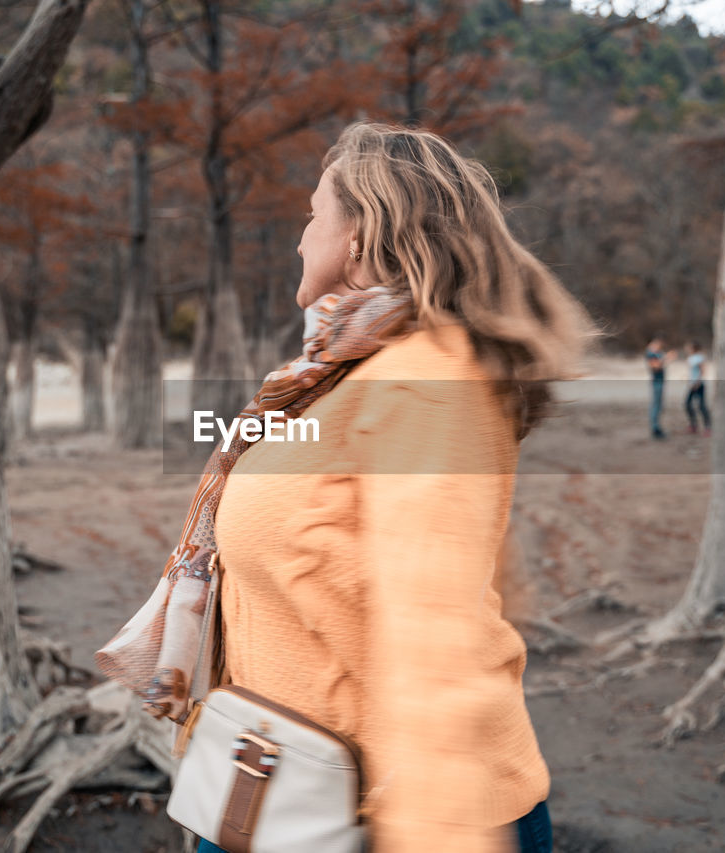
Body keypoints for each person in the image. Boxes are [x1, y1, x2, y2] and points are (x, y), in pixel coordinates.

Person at [192, 122, 596, 852]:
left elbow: (441, 634)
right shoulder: (330, 377)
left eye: (313, 214)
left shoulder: (430, 380)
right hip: (275, 779)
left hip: (389, 813)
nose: (299, 236)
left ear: (357, 235)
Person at [645, 335, 672, 439]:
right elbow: (655, 367)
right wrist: (666, 358)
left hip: (659, 382)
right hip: (657, 382)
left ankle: (657, 427)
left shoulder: (656, 352)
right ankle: (655, 429)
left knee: (659, 405)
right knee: (656, 406)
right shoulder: (651, 353)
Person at [684, 340, 711, 435]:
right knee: (687, 404)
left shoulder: (699, 357)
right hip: (691, 384)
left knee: (701, 406)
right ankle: (693, 424)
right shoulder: (690, 358)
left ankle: (708, 427)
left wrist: (697, 382)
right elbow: (691, 372)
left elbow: (702, 370)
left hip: (698, 384)